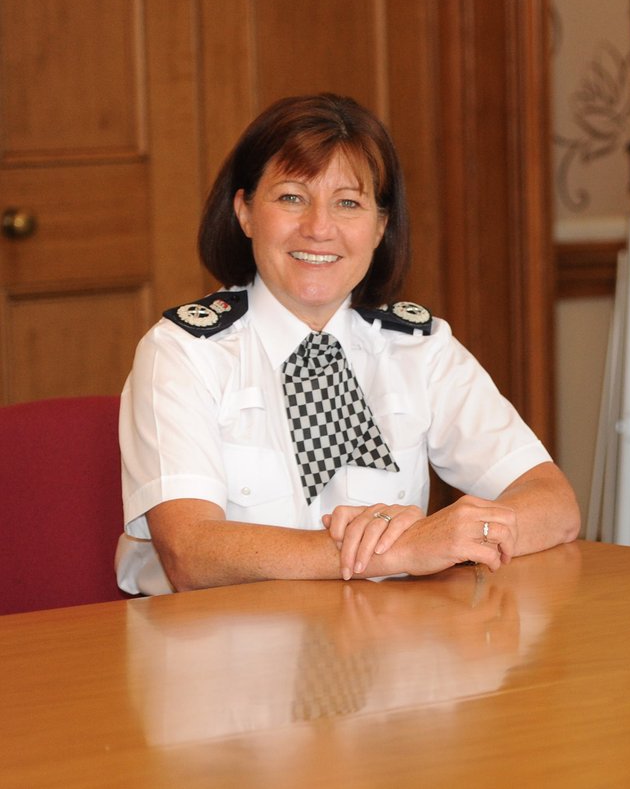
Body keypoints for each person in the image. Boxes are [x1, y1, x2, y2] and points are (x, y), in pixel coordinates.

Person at [117, 93, 580, 595]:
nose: (319, 229)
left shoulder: (419, 349)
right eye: (292, 197)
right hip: (219, 651)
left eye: (348, 203)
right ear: (245, 212)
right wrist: (396, 550)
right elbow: (191, 553)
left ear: (380, 227)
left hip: (383, 648)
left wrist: (476, 533)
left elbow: (554, 504)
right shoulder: (183, 353)